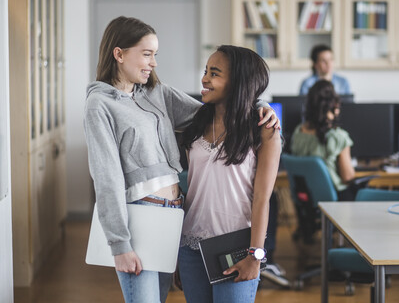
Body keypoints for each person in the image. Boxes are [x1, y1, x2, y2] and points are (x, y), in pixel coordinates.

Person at [84, 16, 279, 303]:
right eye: (147, 54)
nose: (154, 63)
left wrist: (260, 105)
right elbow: (107, 178)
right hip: (141, 217)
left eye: (155, 55)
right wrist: (119, 243)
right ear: (119, 54)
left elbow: (216, 110)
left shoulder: (156, 93)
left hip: (174, 216)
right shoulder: (100, 104)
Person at [178, 45, 282, 303]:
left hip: (238, 248)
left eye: (214, 73)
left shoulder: (264, 130)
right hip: (191, 246)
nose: (204, 79)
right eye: (205, 71)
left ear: (238, 82)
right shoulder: (196, 121)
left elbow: (261, 199)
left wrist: (255, 256)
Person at [291, 79, 356, 201]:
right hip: (335, 200)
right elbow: (348, 177)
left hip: (308, 200)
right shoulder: (338, 136)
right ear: (334, 105)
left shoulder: (298, 131)